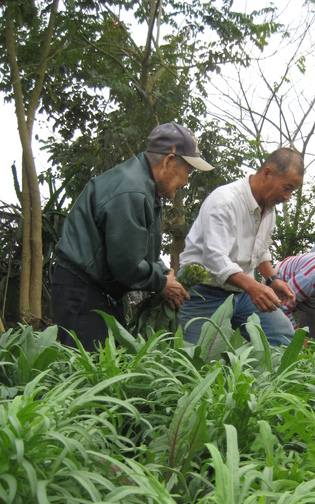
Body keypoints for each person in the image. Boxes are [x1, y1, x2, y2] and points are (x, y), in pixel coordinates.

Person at [51, 122, 214, 351]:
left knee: (109, 366)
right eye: (188, 171)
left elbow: (144, 253)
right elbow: (126, 264)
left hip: (100, 291)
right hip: (82, 291)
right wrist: (161, 283)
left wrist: (166, 274)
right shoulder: (133, 191)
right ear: (168, 161)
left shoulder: (146, 188)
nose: (187, 181)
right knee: (90, 371)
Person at [177, 148, 304, 346]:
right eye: (287, 188)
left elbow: (259, 251)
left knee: (283, 339)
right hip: (204, 291)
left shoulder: (269, 210)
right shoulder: (225, 201)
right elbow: (215, 258)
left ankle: (267, 378)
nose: (287, 196)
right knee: (196, 359)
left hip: (242, 292)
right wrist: (254, 286)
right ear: (268, 173)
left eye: (292, 191)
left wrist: (272, 279)